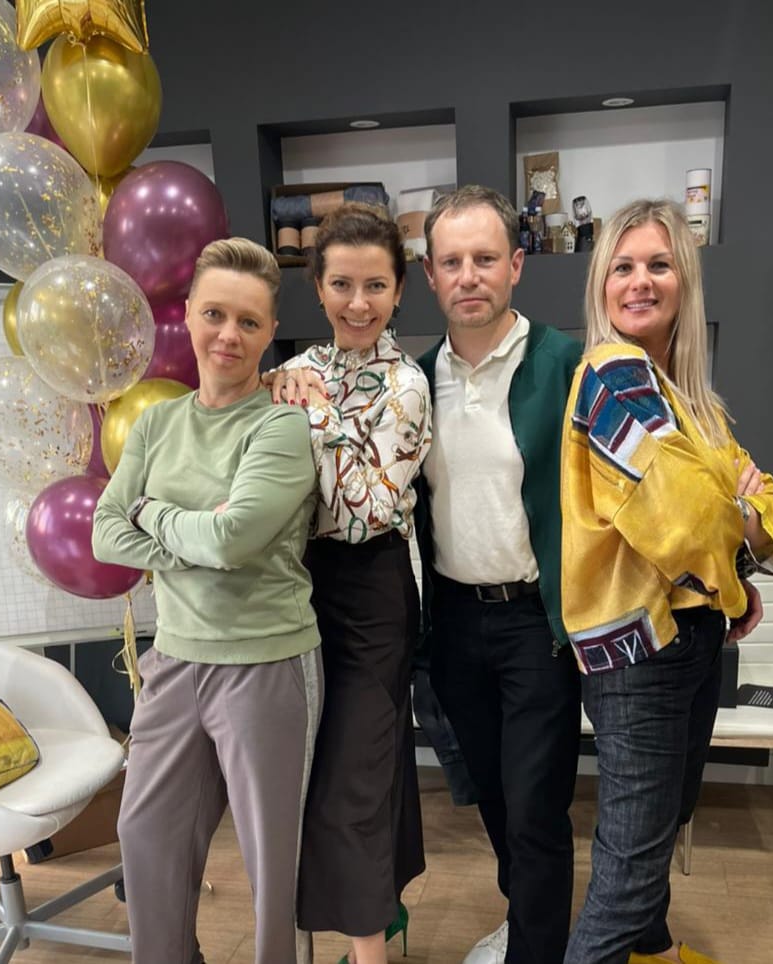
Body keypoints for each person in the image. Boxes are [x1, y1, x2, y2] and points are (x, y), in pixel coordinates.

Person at [560, 199, 773, 964]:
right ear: (601, 285)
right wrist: (738, 542)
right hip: (643, 647)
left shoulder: (691, 400)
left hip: (689, 637)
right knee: (629, 866)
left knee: (658, 828)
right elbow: (685, 513)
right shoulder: (614, 375)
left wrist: (739, 522)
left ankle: (653, 952)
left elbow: (768, 501)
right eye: (623, 267)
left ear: (684, 281)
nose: (640, 281)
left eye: (659, 265)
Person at [92, 238, 321, 964]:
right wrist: (192, 541)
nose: (229, 335)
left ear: (270, 331)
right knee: (145, 836)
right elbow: (104, 533)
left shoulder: (280, 426)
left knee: (270, 865)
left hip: (267, 664)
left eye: (249, 322)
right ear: (188, 313)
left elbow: (233, 539)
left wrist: (152, 514)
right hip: (173, 660)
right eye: (215, 314)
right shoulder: (157, 423)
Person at [415, 184, 583, 964]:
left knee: (536, 807)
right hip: (453, 621)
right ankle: (531, 923)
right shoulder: (415, 381)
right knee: (489, 792)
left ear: (516, 265)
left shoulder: (566, 364)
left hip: (534, 622)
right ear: (430, 275)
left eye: (484, 259)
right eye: (452, 262)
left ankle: (537, 952)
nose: (469, 276)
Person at [270, 203, 431, 964]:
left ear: (399, 290)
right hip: (293, 588)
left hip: (372, 594)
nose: (358, 303)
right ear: (318, 287)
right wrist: (282, 386)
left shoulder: (408, 385)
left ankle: (369, 957)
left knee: (355, 779)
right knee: (308, 776)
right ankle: (376, 925)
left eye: (375, 286)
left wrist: (318, 413)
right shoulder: (292, 370)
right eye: (341, 284)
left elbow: (366, 512)